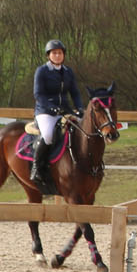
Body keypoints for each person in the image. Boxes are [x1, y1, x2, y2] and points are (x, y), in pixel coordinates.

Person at [31, 38, 81, 195]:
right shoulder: (42, 71)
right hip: (45, 111)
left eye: (60, 53)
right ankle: (37, 168)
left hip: (64, 110)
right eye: (54, 53)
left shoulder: (68, 72)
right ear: (48, 55)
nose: (57, 56)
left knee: (81, 129)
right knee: (48, 135)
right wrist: (51, 107)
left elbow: (75, 92)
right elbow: (38, 94)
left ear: (63, 55)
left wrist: (79, 108)